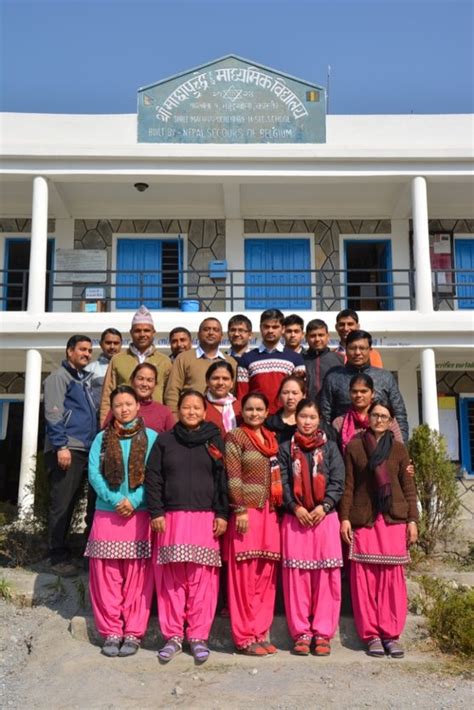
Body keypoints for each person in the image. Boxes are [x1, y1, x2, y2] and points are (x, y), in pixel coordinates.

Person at [146, 390, 228, 664]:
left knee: (203, 580)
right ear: (178, 410)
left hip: (205, 518)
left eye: (197, 408)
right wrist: (156, 512)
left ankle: (198, 636)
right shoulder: (164, 441)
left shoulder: (214, 440)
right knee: (172, 580)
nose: (191, 412)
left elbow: (222, 478)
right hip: (172, 518)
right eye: (186, 407)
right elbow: (154, 477)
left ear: (205, 412)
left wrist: (222, 513)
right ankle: (173, 636)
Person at [339, 400, 418, 658]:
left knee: (392, 580)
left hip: (393, 519)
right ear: (368, 418)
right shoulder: (354, 446)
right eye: (375, 415)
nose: (380, 420)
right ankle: (371, 634)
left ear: (391, 420)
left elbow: (408, 486)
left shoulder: (398, 450)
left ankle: (391, 634)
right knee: (365, 579)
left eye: (384, 416)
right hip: (364, 518)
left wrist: (413, 520)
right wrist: (345, 518)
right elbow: (348, 485)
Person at [85, 386, 157, 657]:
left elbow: (154, 475)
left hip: (139, 515)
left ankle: (133, 632)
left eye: (129, 403)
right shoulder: (101, 439)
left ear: (139, 406)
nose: (124, 409)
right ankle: (111, 631)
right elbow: (94, 472)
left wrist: (135, 500)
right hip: (107, 513)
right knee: (106, 576)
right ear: (112, 409)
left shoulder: (152, 438)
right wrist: (115, 499)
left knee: (138, 578)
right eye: (118, 405)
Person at [279, 399, 345, 656]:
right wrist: (295, 508)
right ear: (296, 418)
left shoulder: (330, 449)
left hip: (324, 519)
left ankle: (323, 632)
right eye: (303, 416)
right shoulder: (286, 449)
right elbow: (282, 481)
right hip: (296, 519)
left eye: (312, 417)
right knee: (297, 579)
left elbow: (338, 480)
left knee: (327, 579)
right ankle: (301, 632)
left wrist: (324, 506)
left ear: (319, 420)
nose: (307, 421)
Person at [225, 392, 282, 656]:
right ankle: (244, 636)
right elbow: (233, 476)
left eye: (259, 409)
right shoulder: (236, 437)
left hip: (269, 511)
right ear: (242, 411)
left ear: (267, 411)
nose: (254, 413)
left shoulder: (271, 439)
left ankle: (260, 631)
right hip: (246, 511)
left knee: (265, 574)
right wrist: (240, 509)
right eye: (249, 409)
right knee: (244, 576)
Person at [43, 335, 97, 576]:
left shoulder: (82, 381)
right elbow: (53, 414)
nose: (86, 354)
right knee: (62, 505)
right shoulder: (59, 377)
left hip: (85, 450)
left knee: (75, 503)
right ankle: (56, 558)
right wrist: (61, 446)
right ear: (69, 352)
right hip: (68, 450)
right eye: (82, 350)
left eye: (89, 350)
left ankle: (73, 553)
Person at [319, 330, 409, 442]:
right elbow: (325, 416)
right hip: (343, 445)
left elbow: (399, 413)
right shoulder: (333, 377)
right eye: (352, 348)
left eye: (362, 348)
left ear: (370, 350)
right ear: (346, 349)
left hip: (381, 445)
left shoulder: (385, 377)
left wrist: (402, 447)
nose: (357, 352)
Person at [100, 305, 172, 425]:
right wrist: (104, 427)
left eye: (147, 330)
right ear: (131, 333)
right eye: (138, 330)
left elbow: (169, 397)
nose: (142, 334)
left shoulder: (164, 361)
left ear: (154, 332)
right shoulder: (118, 359)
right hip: (122, 424)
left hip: (155, 423)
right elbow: (107, 396)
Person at [237, 309, 306, 414]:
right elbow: (242, 395)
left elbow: (300, 394)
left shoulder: (296, 359)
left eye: (275, 327)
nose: (270, 331)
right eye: (266, 326)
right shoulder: (246, 359)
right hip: (256, 419)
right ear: (260, 328)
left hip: (286, 420)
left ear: (282, 329)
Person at [164, 318, 236, 415]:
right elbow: (172, 392)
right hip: (189, 418)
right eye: (206, 329)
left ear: (221, 336)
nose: (211, 332)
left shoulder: (231, 362)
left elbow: (234, 394)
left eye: (215, 330)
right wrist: (174, 418)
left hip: (223, 418)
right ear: (198, 334)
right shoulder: (184, 358)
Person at [332, 373, 403, 454]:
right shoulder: (339, 423)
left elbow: (399, 450)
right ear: (349, 393)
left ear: (372, 393)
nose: (358, 395)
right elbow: (335, 456)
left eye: (363, 391)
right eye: (354, 391)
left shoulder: (386, 419)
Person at [102, 363, 175, 434]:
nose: (144, 384)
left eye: (149, 380)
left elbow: (171, 441)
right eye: (140, 379)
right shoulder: (120, 408)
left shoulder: (164, 412)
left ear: (155, 384)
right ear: (132, 381)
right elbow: (104, 436)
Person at [303, 319, 343, 401]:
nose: (317, 339)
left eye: (321, 335)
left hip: (332, 409)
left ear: (328, 336)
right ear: (306, 338)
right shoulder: (300, 360)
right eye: (313, 336)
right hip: (307, 409)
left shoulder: (340, 359)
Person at [204, 361, 241, 437]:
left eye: (225, 379)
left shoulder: (240, 407)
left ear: (231, 383)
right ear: (207, 381)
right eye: (215, 378)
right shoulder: (201, 405)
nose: (220, 383)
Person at [265, 374, 306, 444]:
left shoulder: (311, 422)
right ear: (280, 396)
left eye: (295, 393)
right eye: (285, 393)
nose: (290, 397)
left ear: (304, 396)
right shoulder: (269, 424)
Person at [88, 328, 122, 410]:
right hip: (99, 419)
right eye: (108, 343)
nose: (112, 346)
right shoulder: (89, 369)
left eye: (116, 343)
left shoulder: (128, 367)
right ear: (101, 344)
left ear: (121, 344)